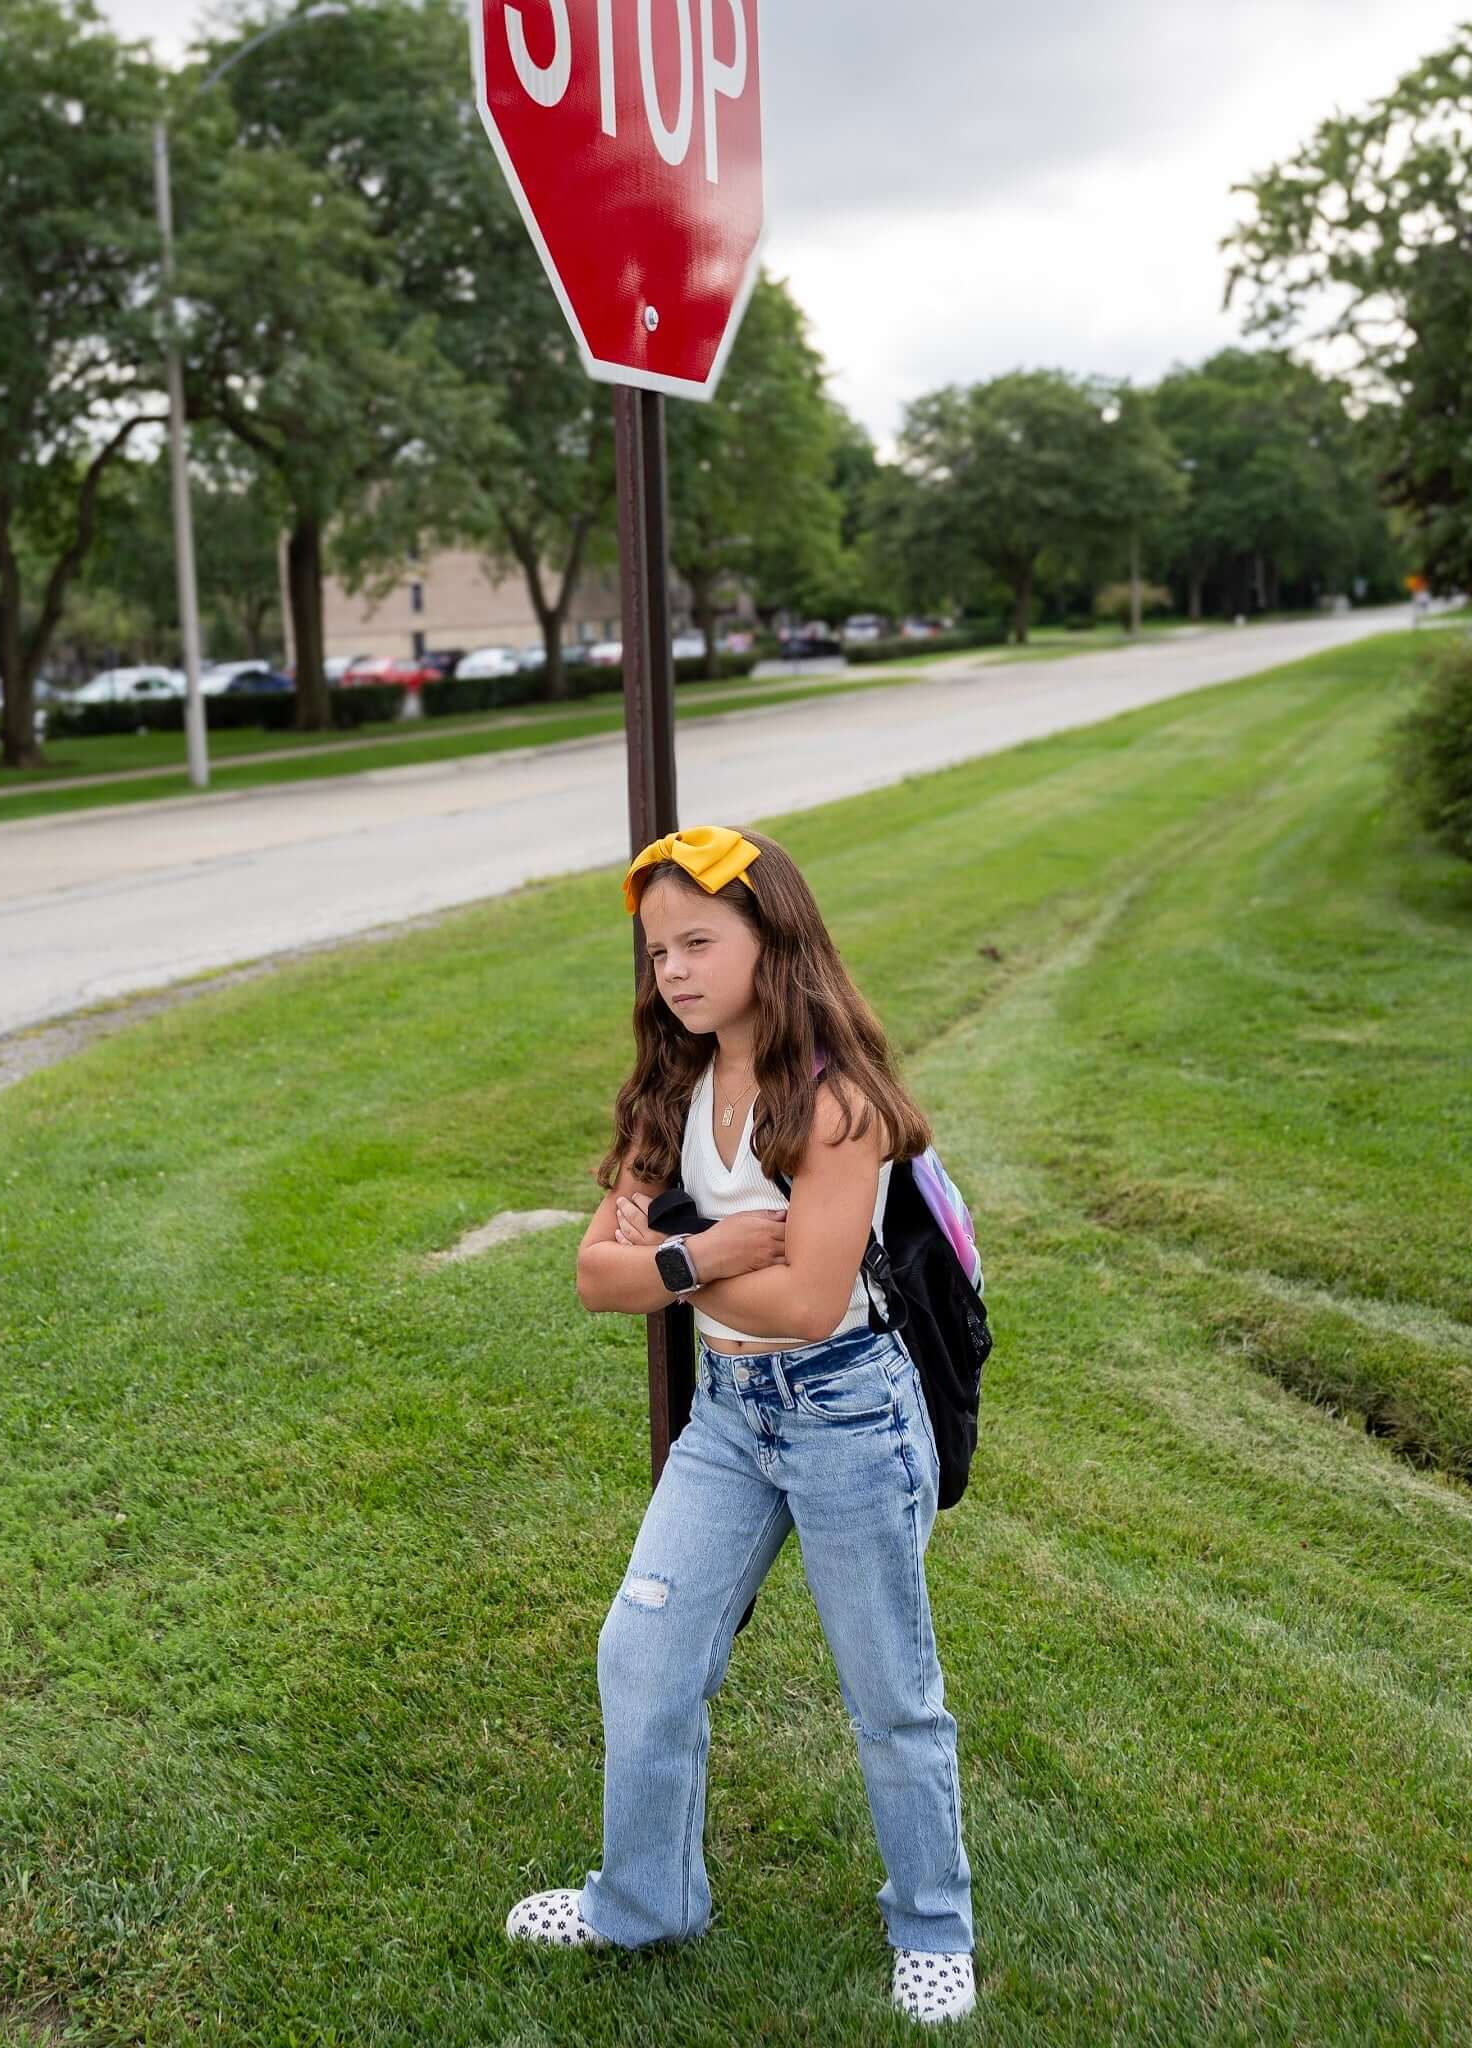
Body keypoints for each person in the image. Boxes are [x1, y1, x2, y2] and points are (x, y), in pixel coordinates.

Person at [504, 825, 978, 2027]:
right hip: (728, 1417)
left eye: (697, 940)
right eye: (658, 948)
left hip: (846, 1411)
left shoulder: (836, 1106)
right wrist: (704, 1252)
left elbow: (811, 1300)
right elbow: (589, 1277)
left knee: (888, 1689)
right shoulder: (672, 1091)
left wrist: (657, 1267)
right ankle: (645, 1899)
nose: (670, 968)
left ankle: (931, 1922)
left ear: (775, 941)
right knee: (643, 1653)